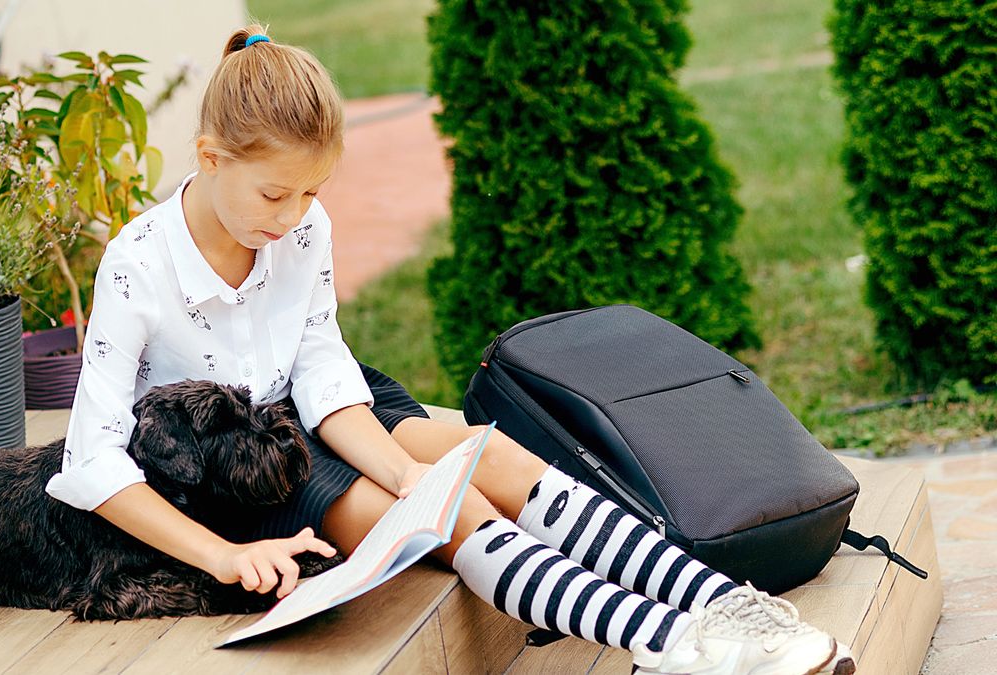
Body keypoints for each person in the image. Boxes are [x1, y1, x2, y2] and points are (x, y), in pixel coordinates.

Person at [44, 25, 854, 675]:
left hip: (326, 408)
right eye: (274, 193)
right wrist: (225, 555)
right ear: (210, 157)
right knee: (457, 510)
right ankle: (675, 644)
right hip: (238, 459)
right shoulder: (138, 262)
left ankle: (731, 608)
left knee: (486, 457)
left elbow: (325, 369)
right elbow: (91, 458)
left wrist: (402, 473)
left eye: (312, 194)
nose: (293, 218)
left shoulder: (302, 226)